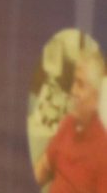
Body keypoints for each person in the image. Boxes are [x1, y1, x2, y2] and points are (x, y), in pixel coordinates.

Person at [34, 50, 107, 192]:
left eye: (80, 84)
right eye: (74, 81)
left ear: (95, 97)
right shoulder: (68, 124)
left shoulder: (103, 149)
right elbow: (43, 167)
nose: (73, 90)